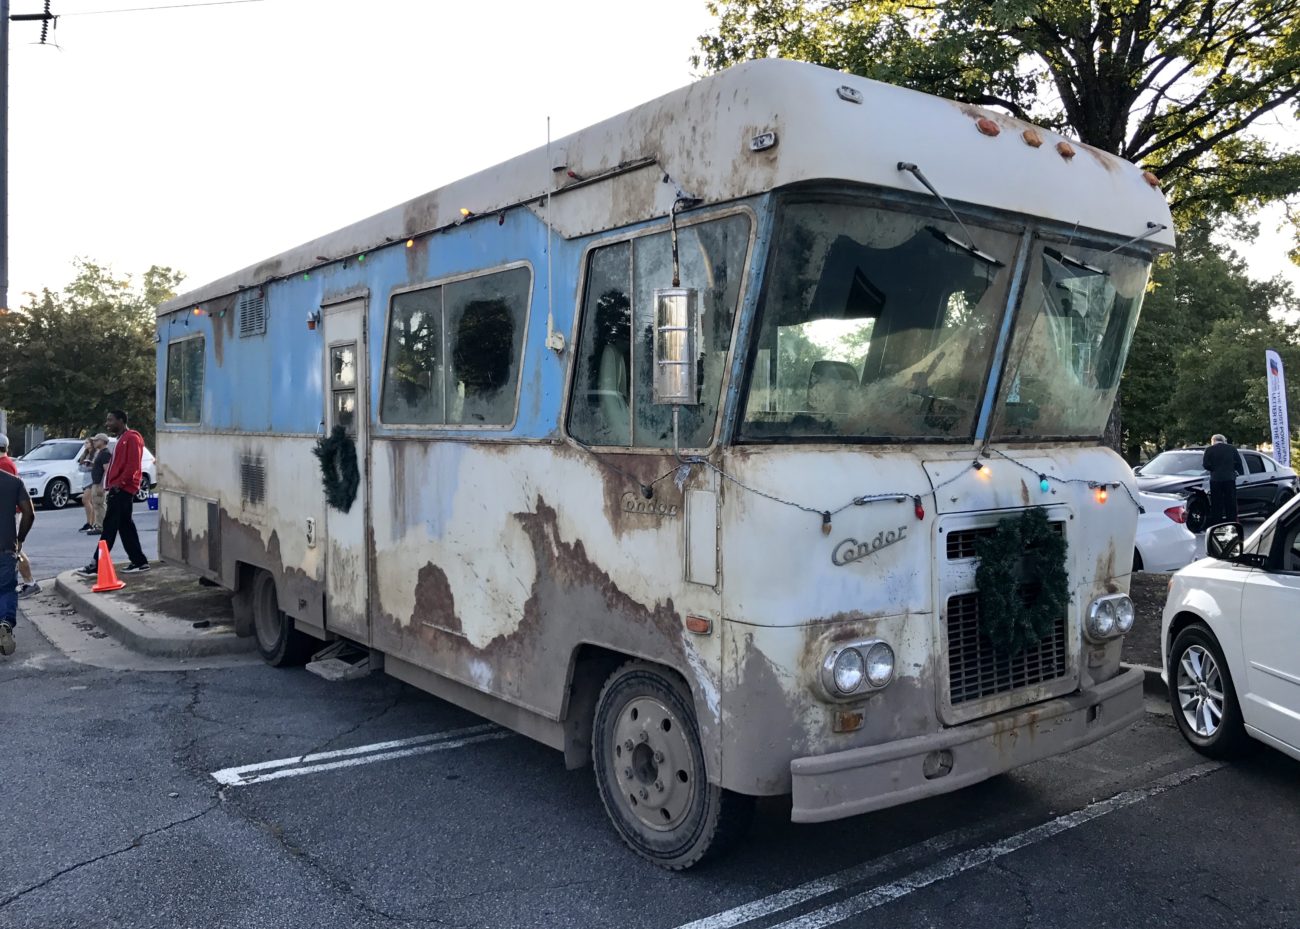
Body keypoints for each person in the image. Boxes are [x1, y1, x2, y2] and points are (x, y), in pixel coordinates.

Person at [75, 410, 150, 576]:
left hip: (122, 489)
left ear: (121, 420)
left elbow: (132, 465)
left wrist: (119, 484)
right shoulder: (121, 439)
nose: (107, 423)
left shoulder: (131, 438)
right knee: (125, 526)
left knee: (109, 527)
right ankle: (139, 561)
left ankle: (97, 565)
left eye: (110, 420)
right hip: (119, 488)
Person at [0, 452, 36, 657]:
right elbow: (29, 513)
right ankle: (5, 622)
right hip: (5, 546)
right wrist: (20, 539)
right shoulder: (13, 483)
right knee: (5, 590)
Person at [0, 435, 40, 597]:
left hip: (8, 513)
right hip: (10, 512)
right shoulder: (6, 462)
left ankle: (30, 582)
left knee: (13, 549)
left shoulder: (4, 465)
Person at [1202, 433, 1244, 526]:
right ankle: (1231, 522)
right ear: (1223, 440)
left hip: (1216, 479)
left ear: (1213, 441)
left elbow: (1205, 465)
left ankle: (1217, 523)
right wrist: (1232, 470)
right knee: (1231, 501)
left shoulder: (1209, 449)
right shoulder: (1232, 449)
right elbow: (1239, 463)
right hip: (1229, 478)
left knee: (1217, 502)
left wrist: (1214, 470)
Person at [86, 433, 111, 533]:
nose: (94, 442)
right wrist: (92, 464)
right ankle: (99, 525)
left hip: (99, 484)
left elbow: (106, 470)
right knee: (96, 505)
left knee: (99, 505)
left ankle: (101, 526)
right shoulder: (101, 452)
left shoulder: (105, 453)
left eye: (96, 440)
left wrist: (102, 485)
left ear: (102, 441)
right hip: (95, 483)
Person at [77, 438, 96, 531]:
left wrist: (88, 466)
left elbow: (94, 467)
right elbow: (80, 468)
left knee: (85, 500)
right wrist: (85, 465)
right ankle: (91, 522)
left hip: (93, 480)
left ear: (92, 444)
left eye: (87, 442)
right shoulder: (85, 454)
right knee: (91, 502)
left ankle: (90, 522)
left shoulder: (95, 454)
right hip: (86, 479)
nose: (85, 444)